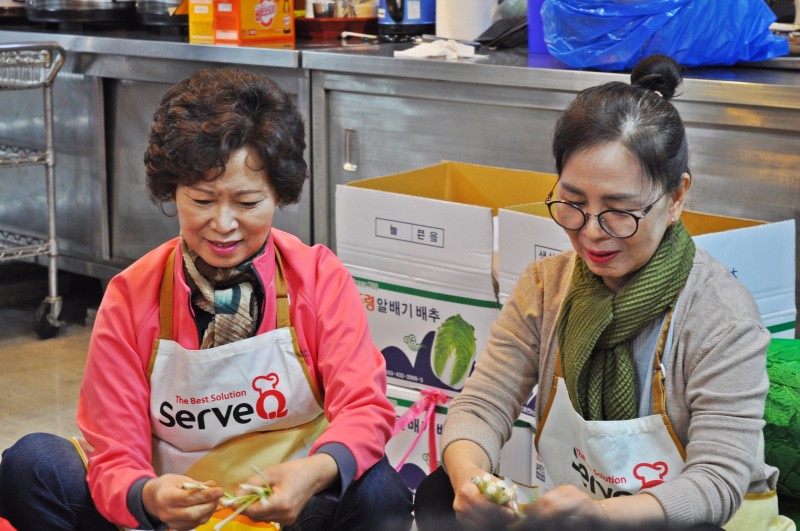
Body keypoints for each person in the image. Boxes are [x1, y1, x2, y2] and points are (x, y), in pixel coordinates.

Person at [0, 68, 413, 531]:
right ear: (171, 192)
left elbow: (365, 408)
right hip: (171, 519)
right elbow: (113, 451)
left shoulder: (317, 277)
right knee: (30, 463)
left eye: (247, 202)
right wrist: (147, 495)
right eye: (201, 200)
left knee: (381, 490)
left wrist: (314, 472)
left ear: (280, 194)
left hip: (292, 513)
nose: (223, 223)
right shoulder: (132, 294)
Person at [413, 54, 793, 531]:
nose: (592, 233)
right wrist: (471, 481)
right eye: (573, 204)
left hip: (698, 521)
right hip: (587, 517)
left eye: (620, 210)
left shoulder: (719, 314)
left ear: (676, 198)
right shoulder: (545, 287)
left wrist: (602, 516)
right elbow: (482, 404)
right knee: (436, 495)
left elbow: (716, 483)